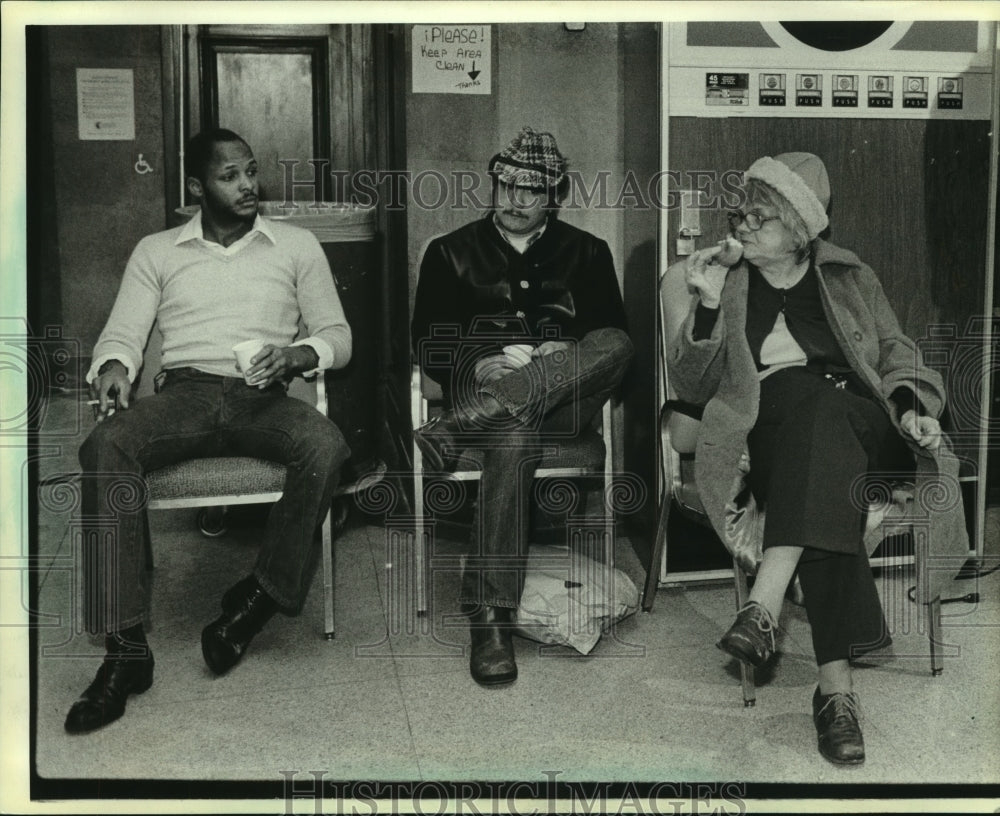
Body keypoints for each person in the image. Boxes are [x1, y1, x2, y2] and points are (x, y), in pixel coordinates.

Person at [668, 152, 968, 766]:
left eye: (760, 217)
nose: (742, 226)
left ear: (799, 228)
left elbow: (895, 352)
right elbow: (694, 387)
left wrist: (910, 405)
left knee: (823, 407)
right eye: (740, 213)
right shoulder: (728, 283)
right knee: (815, 440)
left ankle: (765, 602)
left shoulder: (850, 278)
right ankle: (835, 694)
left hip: (864, 425)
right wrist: (704, 305)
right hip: (775, 441)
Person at [64, 128, 352, 734]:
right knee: (104, 444)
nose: (248, 184)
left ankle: (255, 601)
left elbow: (338, 335)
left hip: (262, 395)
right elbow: (122, 334)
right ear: (197, 186)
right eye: (230, 176)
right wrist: (114, 369)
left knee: (326, 445)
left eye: (251, 171)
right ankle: (125, 652)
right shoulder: (157, 250)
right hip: (186, 395)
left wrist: (297, 355)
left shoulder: (295, 246)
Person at [410, 126, 633, 686]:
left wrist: (565, 352)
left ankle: (463, 424)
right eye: (506, 184)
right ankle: (491, 621)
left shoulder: (588, 253)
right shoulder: (449, 252)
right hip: (487, 393)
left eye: (531, 189)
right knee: (512, 435)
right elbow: (425, 344)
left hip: (563, 399)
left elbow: (612, 346)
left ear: (554, 194)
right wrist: (479, 362)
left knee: (616, 343)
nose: (515, 199)